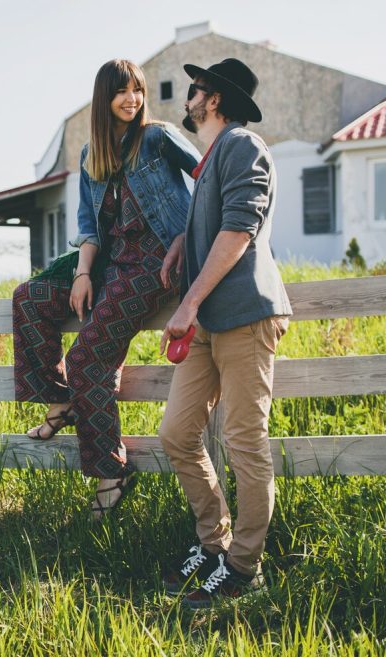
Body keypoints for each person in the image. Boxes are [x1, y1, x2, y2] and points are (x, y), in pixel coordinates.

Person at [12, 59, 200, 520]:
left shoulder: (157, 138)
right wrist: (80, 274)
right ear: (104, 98)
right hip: (111, 264)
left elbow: (208, 178)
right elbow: (87, 226)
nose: (132, 99)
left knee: (87, 356)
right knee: (29, 298)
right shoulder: (90, 155)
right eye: (122, 92)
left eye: (137, 90)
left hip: (156, 263)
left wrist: (187, 234)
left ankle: (111, 472)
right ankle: (61, 399)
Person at [157, 58, 292, 607]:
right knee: (177, 434)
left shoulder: (242, 145)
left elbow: (241, 226)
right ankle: (215, 544)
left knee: (243, 443)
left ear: (212, 99)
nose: (187, 97)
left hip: (242, 314)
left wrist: (187, 302)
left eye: (194, 90)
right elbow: (215, 224)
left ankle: (244, 568)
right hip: (211, 321)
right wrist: (182, 243)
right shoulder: (212, 157)